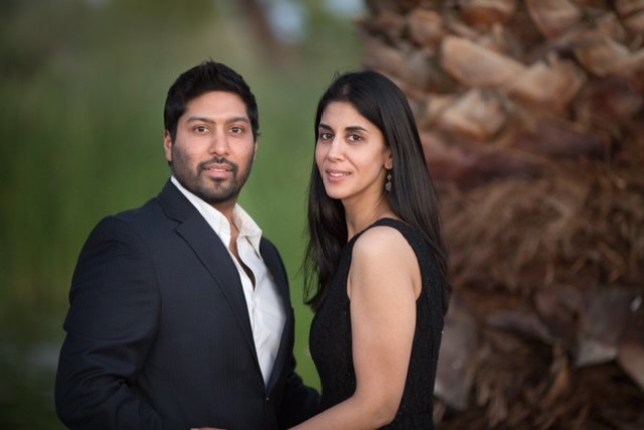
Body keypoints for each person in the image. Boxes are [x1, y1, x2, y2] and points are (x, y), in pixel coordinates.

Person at [55, 60, 319, 430]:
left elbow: (276, 391)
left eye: (237, 130)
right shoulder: (131, 241)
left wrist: (371, 412)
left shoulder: (266, 256)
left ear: (255, 146)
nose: (220, 148)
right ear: (169, 143)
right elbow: (83, 390)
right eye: (200, 129)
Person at [291, 70, 450, 429]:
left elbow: (376, 405)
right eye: (326, 135)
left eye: (355, 138)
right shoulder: (369, 245)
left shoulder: (380, 249)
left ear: (390, 155)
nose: (334, 153)